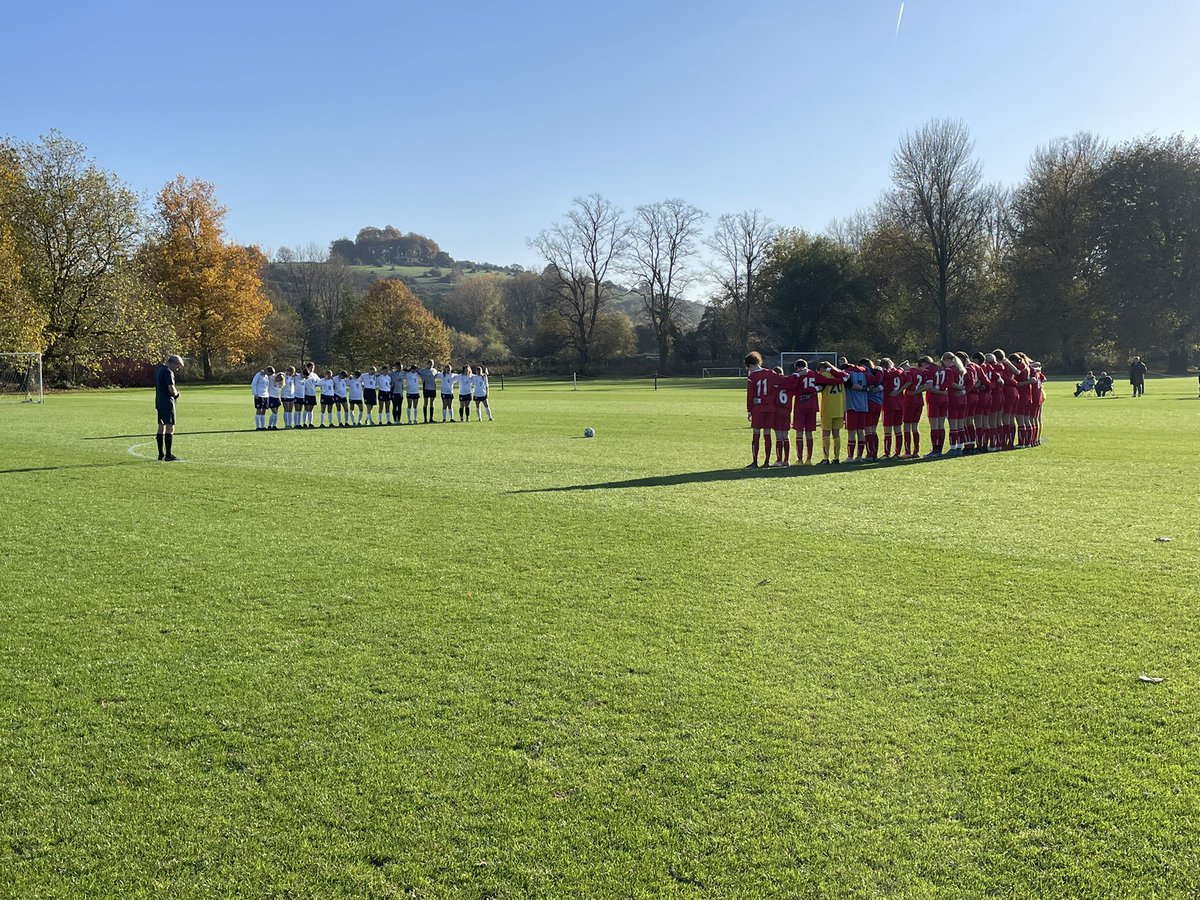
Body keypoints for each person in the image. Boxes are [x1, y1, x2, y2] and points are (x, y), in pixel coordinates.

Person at [744, 351, 777, 467]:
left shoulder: (752, 376)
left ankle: (755, 461)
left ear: (750, 365)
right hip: (769, 408)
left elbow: (750, 395)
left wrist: (749, 410)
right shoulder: (771, 373)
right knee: (767, 434)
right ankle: (767, 462)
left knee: (756, 433)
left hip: (758, 409)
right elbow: (775, 390)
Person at [813, 361, 848, 464]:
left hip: (828, 407)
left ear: (821, 369)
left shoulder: (823, 375)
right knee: (836, 434)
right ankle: (836, 458)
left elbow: (819, 387)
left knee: (826, 433)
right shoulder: (840, 374)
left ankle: (825, 458)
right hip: (840, 407)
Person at [786, 359, 820, 465]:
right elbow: (822, 384)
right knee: (809, 433)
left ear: (796, 368)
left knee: (799, 432)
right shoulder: (814, 374)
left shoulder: (797, 375)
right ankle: (809, 459)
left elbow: (792, 387)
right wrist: (815, 389)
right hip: (812, 406)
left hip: (800, 406)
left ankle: (800, 459)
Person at [154, 355, 184, 461]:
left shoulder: (160, 370)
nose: (178, 368)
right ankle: (168, 455)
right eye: (178, 366)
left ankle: (161, 454)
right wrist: (176, 394)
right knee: (170, 427)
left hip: (159, 401)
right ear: (173, 363)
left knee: (161, 426)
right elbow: (171, 388)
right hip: (167, 402)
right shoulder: (168, 372)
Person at [419, 359, 439, 423]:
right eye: (429, 363)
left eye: (432, 363)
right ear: (427, 364)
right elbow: (417, 372)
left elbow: (438, 375)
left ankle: (431, 418)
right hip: (426, 388)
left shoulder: (435, 370)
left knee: (432, 403)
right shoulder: (423, 370)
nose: (431, 365)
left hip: (433, 388)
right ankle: (425, 419)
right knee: (425, 403)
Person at [251, 367, 271, 431]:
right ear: (267, 371)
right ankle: (258, 426)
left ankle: (263, 426)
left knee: (264, 411)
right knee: (259, 410)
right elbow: (254, 384)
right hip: (259, 395)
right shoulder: (258, 375)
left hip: (266, 395)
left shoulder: (266, 377)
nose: (269, 375)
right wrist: (255, 393)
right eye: (269, 373)